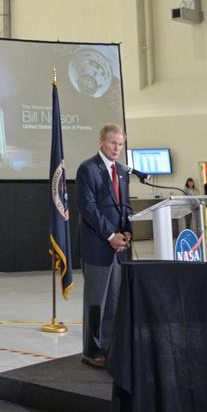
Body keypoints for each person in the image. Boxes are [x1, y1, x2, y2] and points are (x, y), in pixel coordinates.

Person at [75, 123, 132, 368]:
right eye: (113, 143)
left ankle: (108, 346)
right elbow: (88, 208)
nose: (117, 148)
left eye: (120, 144)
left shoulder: (121, 170)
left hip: (119, 248)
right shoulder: (88, 169)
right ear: (101, 142)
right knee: (96, 301)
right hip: (98, 246)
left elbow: (125, 204)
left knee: (115, 300)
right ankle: (91, 349)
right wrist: (110, 235)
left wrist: (127, 230)